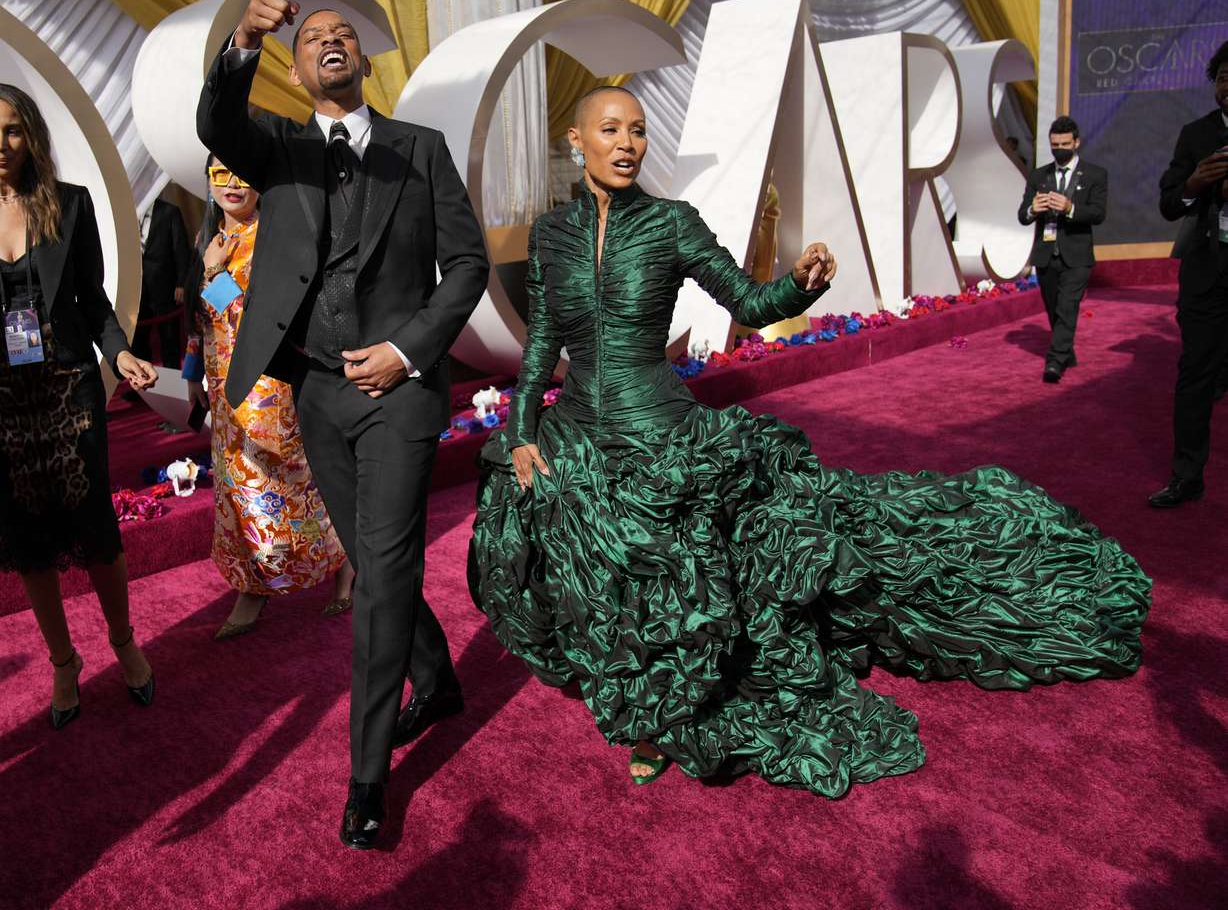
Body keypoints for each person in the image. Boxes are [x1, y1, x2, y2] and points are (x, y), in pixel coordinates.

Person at [467, 85, 1151, 796]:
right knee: (566, 554)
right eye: (610, 130)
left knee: (673, 580)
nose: (627, 143)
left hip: (661, 431)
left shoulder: (672, 223)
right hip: (577, 428)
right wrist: (520, 431)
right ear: (577, 142)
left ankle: (660, 717)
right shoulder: (551, 235)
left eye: (638, 130)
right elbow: (544, 337)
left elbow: (750, 301)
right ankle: (633, 688)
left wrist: (797, 286)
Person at [197, 0, 489, 849]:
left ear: (360, 59)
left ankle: (367, 778)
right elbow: (216, 125)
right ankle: (436, 680)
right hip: (317, 393)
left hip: (399, 395)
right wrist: (240, 45)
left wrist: (406, 351)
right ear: (296, 64)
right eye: (312, 34)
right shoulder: (276, 149)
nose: (331, 39)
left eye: (345, 33)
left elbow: (468, 263)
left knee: (378, 576)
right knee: (377, 556)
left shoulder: (420, 147)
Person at [0, 83, 158, 728]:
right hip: (4, 406)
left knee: (96, 532)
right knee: (27, 539)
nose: (0, 144)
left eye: (11, 129)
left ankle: (124, 643)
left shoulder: (69, 205)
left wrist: (119, 353)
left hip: (69, 387)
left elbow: (93, 302)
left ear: (30, 134)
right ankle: (64, 662)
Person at [181, 157, 354, 639]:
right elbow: (201, 318)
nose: (234, 184)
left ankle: (339, 564)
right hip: (221, 385)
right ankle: (253, 583)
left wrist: (215, 276)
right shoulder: (210, 236)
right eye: (220, 173)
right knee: (236, 488)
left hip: (269, 383)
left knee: (286, 482)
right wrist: (193, 369)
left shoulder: (275, 235)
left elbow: (260, 320)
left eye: (244, 172)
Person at [1148, 40, 1228, 508]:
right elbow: (1168, 202)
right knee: (1196, 375)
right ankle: (1187, 477)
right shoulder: (1195, 134)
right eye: (1222, 76)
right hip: (1206, 274)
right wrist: (1196, 184)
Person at [1017, 116, 1108, 383]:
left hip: (1077, 254)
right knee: (1054, 308)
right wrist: (1034, 208)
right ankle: (1066, 351)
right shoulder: (1039, 175)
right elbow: (1023, 215)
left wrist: (1070, 208)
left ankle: (1055, 361)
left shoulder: (1095, 174)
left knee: (1067, 307)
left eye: (1065, 144)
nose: (1060, 149)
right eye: (1055, 144)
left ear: (1076, 142)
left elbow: (1098, 213)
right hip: (1046, 253)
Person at [131, 194, 192, 368]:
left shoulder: (169, 211)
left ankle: (173, 386)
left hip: (165, 287)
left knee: (169, 339)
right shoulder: (127, 213)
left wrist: (181, 282)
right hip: (137, 290)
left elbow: (180, 248)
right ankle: (145, 390)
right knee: (139, 342)